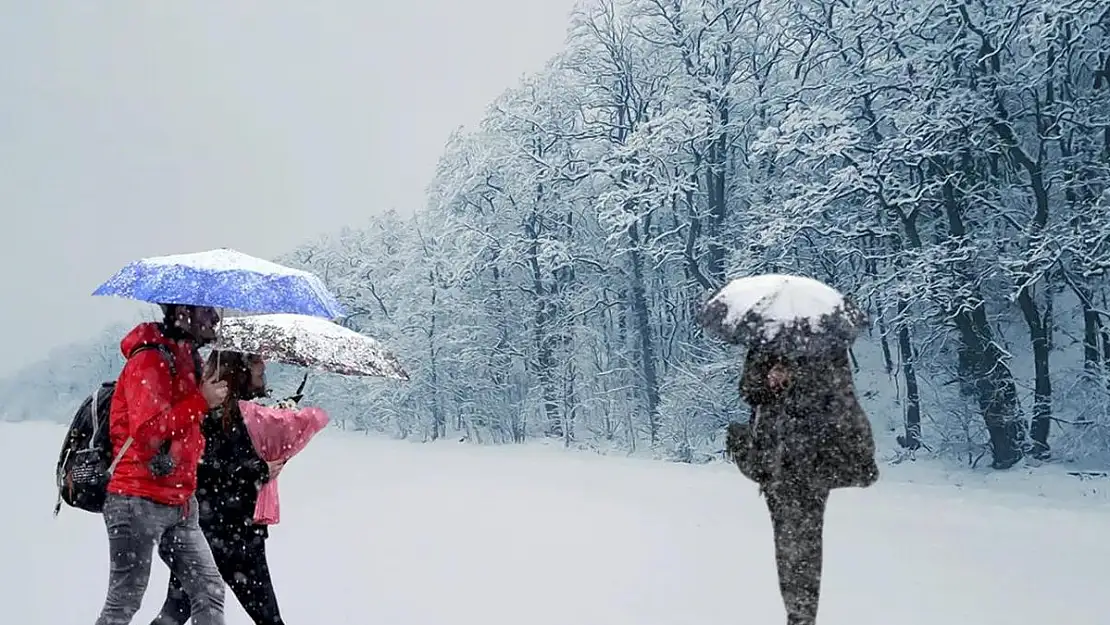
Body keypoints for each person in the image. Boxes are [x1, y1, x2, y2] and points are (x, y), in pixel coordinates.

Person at [726, 343, 878, 625]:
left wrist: (796, 376)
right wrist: (768, 379)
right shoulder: (764, 341)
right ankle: (799, 615)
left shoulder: (827, 343)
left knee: (801, 545)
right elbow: (748, 390)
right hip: (776, 458)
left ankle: (801, 616)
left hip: (812, 456)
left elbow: (838, 393)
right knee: (791, 545)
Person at [96, 304, 229, 625]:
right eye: (207, 311)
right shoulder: (150, 359)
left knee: (209, 591)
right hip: (136, 498)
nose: (216, 318)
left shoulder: (186, 360)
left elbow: (184, 426)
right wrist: (201, 401)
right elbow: (147, 432)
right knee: (124, 601)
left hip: (180, 502)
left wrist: (208, 399)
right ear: (184, 312)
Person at [151, 351, 288, 625]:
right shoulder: (218, 417)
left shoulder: (241, 415)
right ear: (240, 373)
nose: (264, 374)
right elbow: (209, 470)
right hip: (231, 536)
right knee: (268, 619)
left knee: (174, 613)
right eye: (258, 370)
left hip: (208, 531)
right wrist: (261, 469)